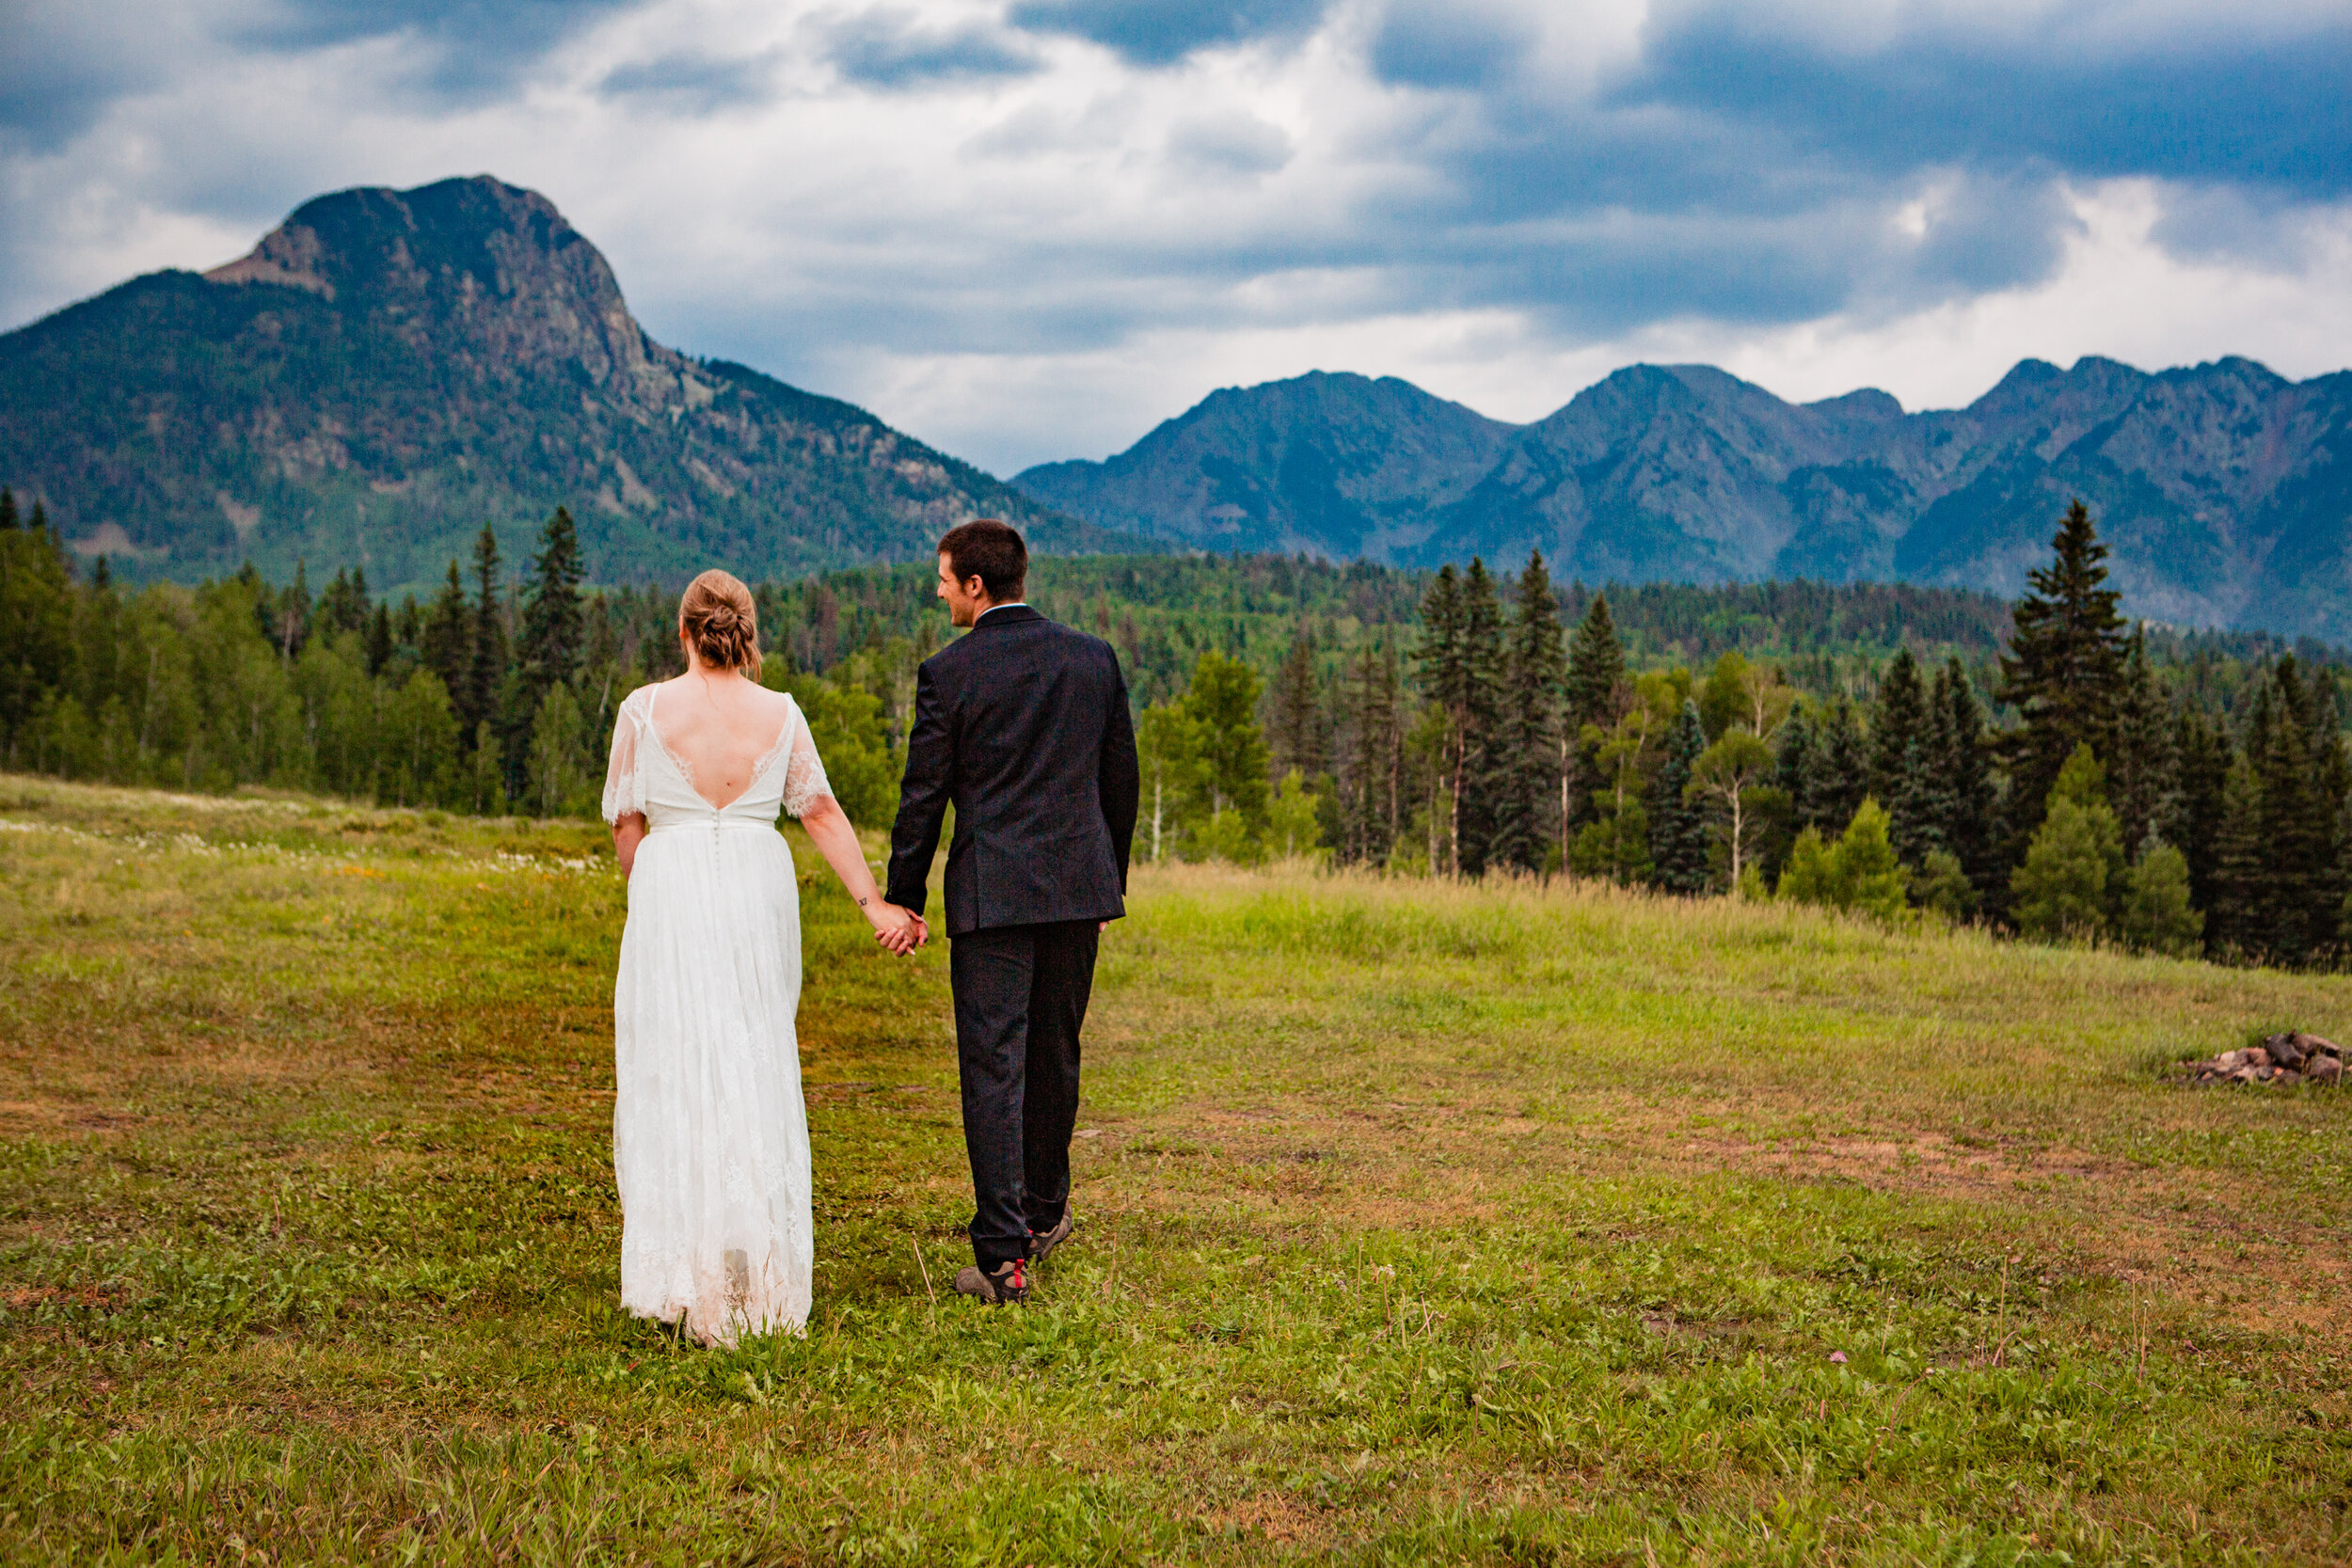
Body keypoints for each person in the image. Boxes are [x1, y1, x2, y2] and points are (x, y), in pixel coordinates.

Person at [602, 569, 920, 1345]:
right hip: (754, 887)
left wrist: (652, 895)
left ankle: (682, 1273)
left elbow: (624, 822)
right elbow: (819, 810)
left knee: (677, 1065)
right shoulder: (781, 712)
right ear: (746, 633)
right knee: (752, 1057)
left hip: (670, 887)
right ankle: (752, 1270)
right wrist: (873, 902)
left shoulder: (643, 710)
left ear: (684, 632)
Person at [882, 519, 1140, 1305]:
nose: (937, 590)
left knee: (995, 1066)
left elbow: (924, 794)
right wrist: (1108, 885)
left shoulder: (949, 673)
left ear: (975, 586)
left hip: (993, 897)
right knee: (1055, 1054)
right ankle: (1044, 1214)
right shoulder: (1091, 658)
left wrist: (905, 894)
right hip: (1075, 890)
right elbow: (1119, 781)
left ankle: (1002, 1258)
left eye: (943, 577)